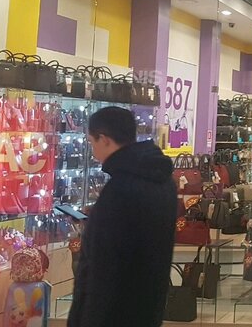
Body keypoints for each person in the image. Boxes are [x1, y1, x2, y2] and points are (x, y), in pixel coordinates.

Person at [68, 106, 177, 327]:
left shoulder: (119, 189)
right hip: (147, 306)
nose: (93, 152)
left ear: (104, 139)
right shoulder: (162, 181)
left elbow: (104, 269)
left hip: (112, 313)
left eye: (92, 143)